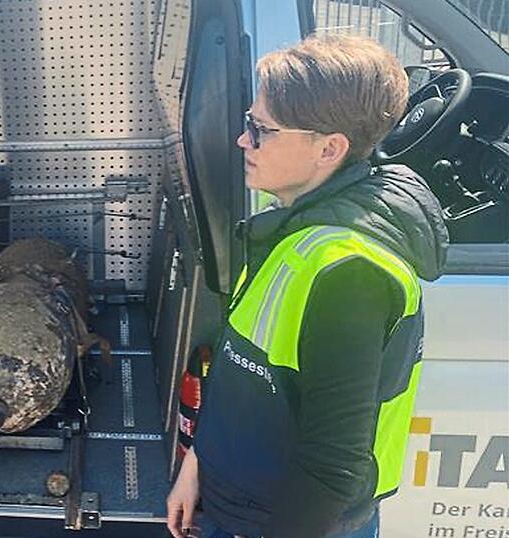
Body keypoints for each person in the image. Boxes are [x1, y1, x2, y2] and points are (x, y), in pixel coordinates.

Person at [166, 35, 449, 538]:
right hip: (234, 505)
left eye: (261, 129)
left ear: (329, 149)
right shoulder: (298, 226)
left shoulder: (349, 274)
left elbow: (332, 466)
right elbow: (243, 373)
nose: (242, 141)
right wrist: (196, 466)